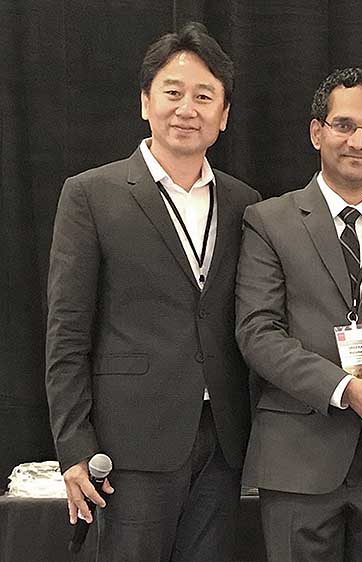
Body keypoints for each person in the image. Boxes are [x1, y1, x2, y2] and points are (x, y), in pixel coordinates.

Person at [45, 22, 260, 562]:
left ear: (224, 116)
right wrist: (74, 446)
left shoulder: (245, 203)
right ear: (146, 102)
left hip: (224, 440)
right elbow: (67, 331)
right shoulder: (91, 194)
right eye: (173, 92)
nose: (188, 108)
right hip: (129, 444)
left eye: (205, 96)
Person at [235, 67, 362, 562]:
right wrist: (346, 389)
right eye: (343, 125)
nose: (358, 140)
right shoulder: (269, 220)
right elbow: (257, 332)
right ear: (317, 132)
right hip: (298, 459)